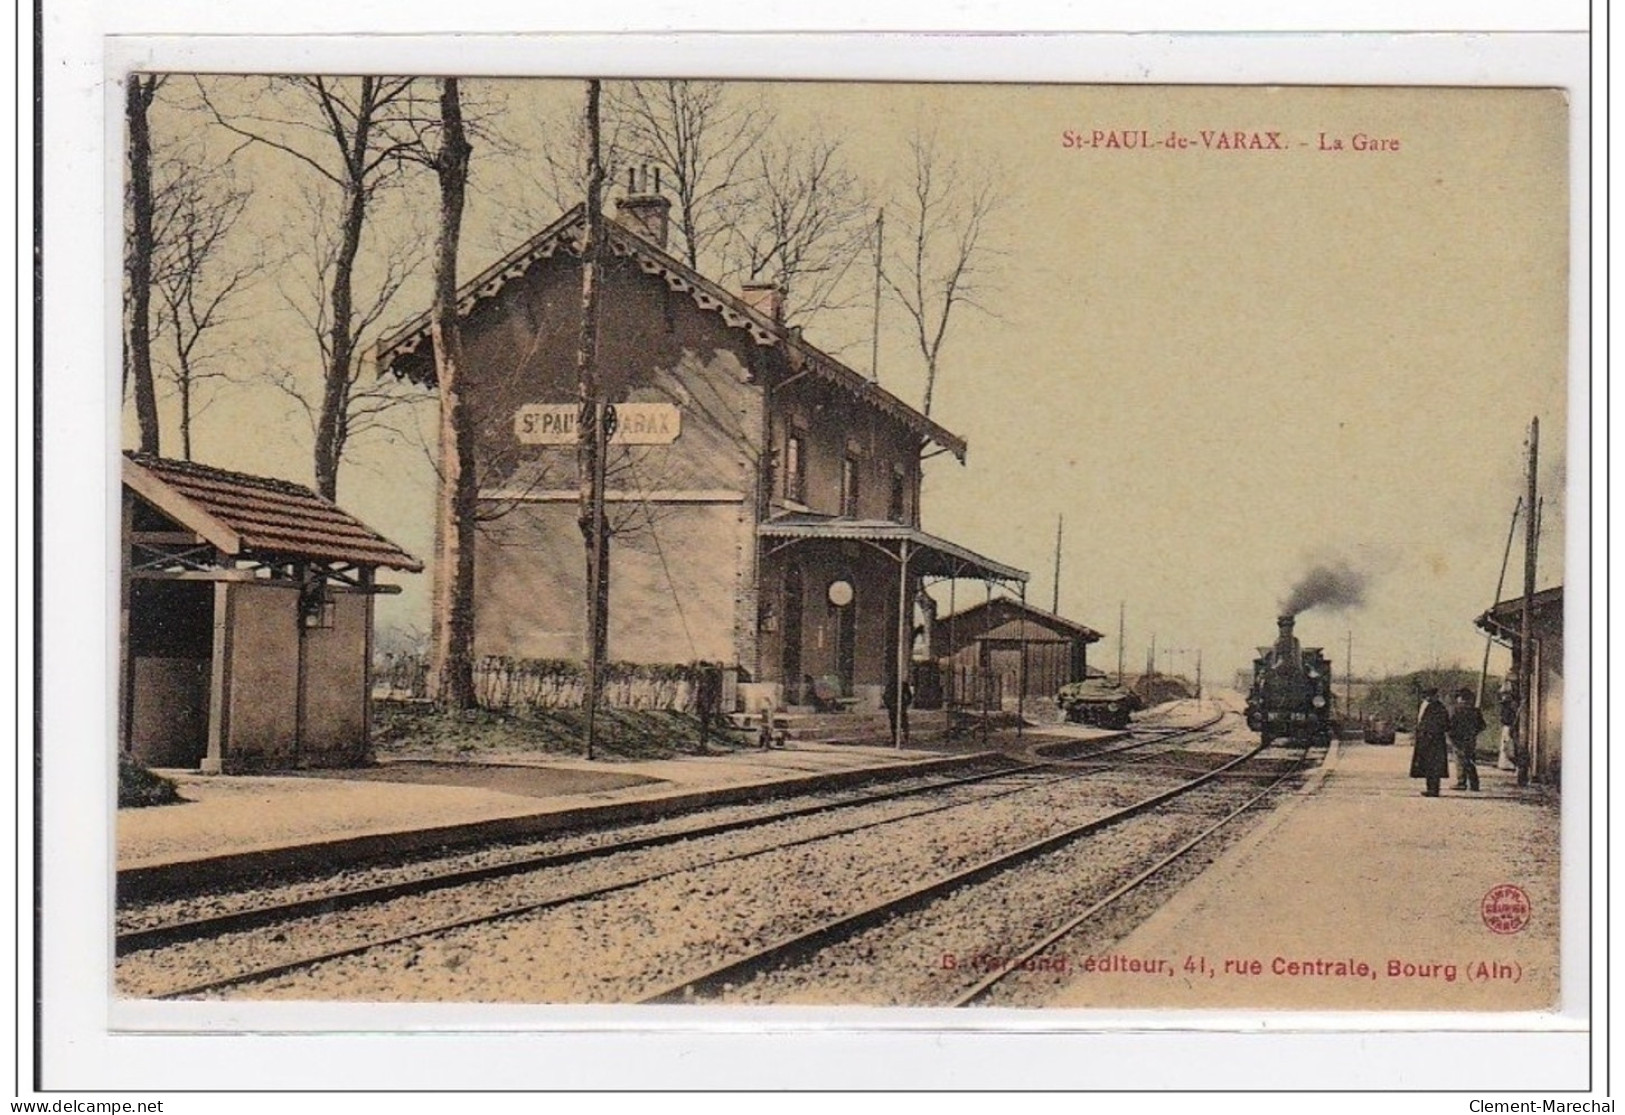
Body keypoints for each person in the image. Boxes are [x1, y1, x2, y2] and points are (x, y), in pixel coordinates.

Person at [1410, 685, 1451, 797]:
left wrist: (1431, 732)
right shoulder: (1425, 706)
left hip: (1434, 741)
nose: (1427, 698)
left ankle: (1434, 789)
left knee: (1434, 766)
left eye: (1429, 696)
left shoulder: (1439, 708)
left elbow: (1445, 725)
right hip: (1425, 740)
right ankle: (1430, 788)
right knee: (1428, 765)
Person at [1448, 687, 1485, 792]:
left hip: (1458, 739)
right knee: (1470, 760)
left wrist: (1451, 736)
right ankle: (1474, 783)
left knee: (1460, 761)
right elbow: (1482, 726)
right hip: (1470, 739)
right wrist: (1474, 732)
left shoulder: (1455, 710)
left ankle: (1461, 782)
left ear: (1460, 698)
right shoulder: (1475, 711)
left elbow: (1450, 725)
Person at [694, 663, 722, 754]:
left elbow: (710, 696)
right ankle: (703, 743)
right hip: (705, 704)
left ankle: (703, 743)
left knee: (704, 723)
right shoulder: (705, 684)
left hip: (706, 705)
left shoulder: (708, 685)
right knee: (703, 723)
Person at [882, 675, 914, 744]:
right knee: (893, 723)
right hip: (892, 707)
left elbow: (909, 696)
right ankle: (894, 738)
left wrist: (905, 704)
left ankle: (905, 737)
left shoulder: (903, 685)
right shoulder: (890, 685)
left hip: (901, 706)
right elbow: (885, 695)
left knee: (903, 722)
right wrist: (888, 704)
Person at [1497, 681, 1519, 772]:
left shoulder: (1510, 706)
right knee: (1506, 744)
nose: (1504, 696)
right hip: (1506, 725)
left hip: (1509, 725)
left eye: (1506, 694)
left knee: (1508, 744)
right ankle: (1506, 763)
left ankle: (1509, 764)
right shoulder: (1506, 705)